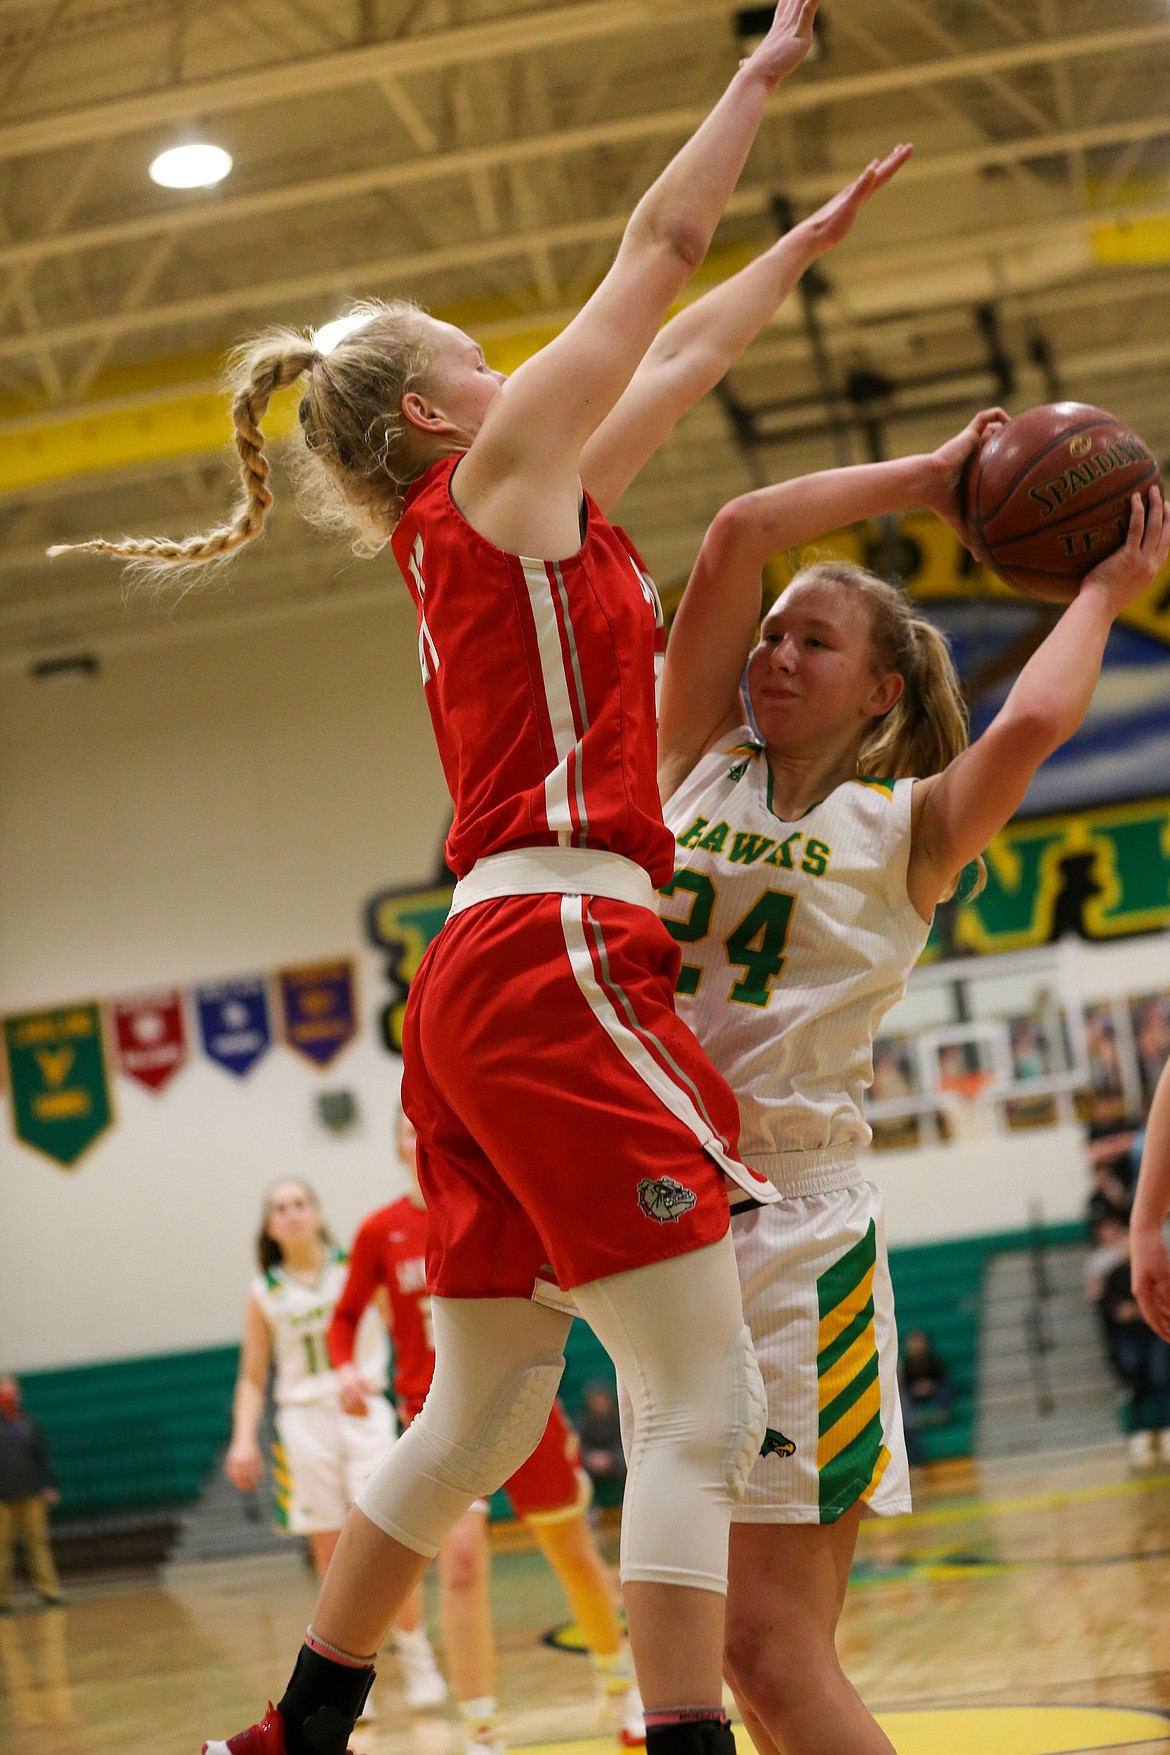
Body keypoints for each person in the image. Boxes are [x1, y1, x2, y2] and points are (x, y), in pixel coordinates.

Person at [54, 11, 914, 1755]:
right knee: (697, 1389)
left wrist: (801, 252)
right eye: (484, 351)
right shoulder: (506, 484)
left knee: (484, 1395)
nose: (523, 362)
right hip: (560, 948)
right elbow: (652, 255)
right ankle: (681, 1741)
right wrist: (754, 81)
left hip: (478, 968)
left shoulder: (533, 503)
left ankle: (303, 1720)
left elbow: (674, 346)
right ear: (449, 408)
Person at [655, 415, 1170, 1755]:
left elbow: (1045, 714)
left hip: (790, 1233)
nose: (771, 650)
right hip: (657, 1228)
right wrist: (929, 481)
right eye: (770, 633)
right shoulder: (689, 753)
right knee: (732, 1651)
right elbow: (734, 533)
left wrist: (1106, 588)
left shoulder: (904, 833)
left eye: (810, 641)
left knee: (765, 1647)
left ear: (880, 690)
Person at [328, 1111, 644, 1751]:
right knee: (464, 1564)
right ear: (399, 1142)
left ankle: (621, 1687)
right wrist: (344, 1371)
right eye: (411, 1130)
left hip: (523, 1395)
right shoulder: (378, 1231)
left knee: (573, 1553)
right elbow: (344, 1318)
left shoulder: (500, 1201)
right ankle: (482, 1729)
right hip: (435, 1409)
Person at [224, 1180, 445, 1717]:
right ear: (270, 1227)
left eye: (300, 1203)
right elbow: (253, 1377)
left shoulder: (358, 1266)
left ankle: (416, 1653)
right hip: (303, 1422)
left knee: (391, 1542)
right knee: (331, 1553)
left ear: (319, 1213)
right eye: (280, 1208)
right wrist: (242, 1439)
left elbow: (406, 1332)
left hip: (364, 1410)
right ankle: (345, 1675)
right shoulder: (265, 1292)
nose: (292, 1214)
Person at [0, 1376, 62, 1612]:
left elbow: (43, 1455)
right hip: (2, 1498)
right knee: (2, 1550)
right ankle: (2, 1601)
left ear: (19, 1395)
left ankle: (50, 1594)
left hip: (32, 1493)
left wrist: (50, 1484)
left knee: (38, 1544)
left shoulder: (29, 1421)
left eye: (11, 1392)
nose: (8, 1397)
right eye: (3, 1393)